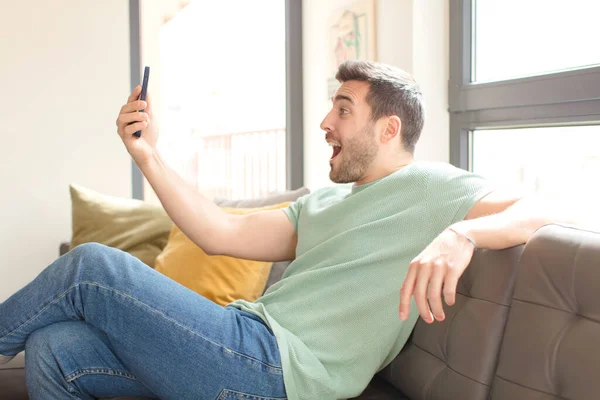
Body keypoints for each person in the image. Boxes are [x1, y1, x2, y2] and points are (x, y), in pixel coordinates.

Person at [0, 61, 552, 400]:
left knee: (93, 266)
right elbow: (217, 232)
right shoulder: (327, 201)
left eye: (343, 110)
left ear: (389, 129)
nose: (325, 124)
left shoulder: (432, 187)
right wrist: (146, 154)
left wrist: (463, 236)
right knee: (53, 350)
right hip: (241, 341)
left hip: (279, 373)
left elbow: (540, 207)